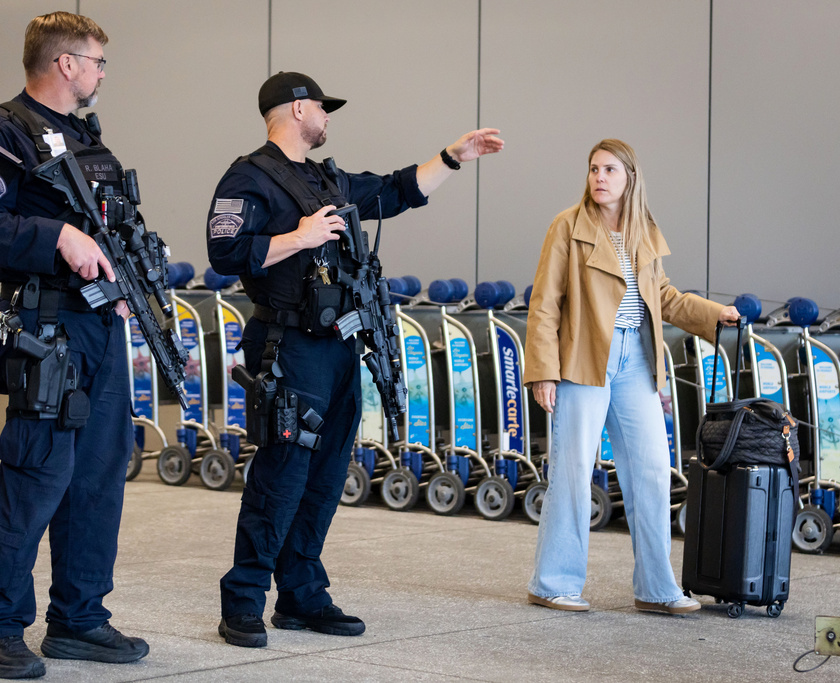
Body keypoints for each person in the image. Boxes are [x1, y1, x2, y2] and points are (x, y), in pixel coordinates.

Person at [207, 71, 504, 648]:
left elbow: (394, 190)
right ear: (296, 110)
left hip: (340, 346)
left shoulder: (328, 178)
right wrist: (299, 236)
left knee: (324, 477)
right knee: (282, 475)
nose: (327, 117)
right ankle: (243, 600)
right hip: (288, 346)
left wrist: (453, 156)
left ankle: (301, 595)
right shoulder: (248, 178)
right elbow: (223, 252)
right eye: (322, 107)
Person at [0, 12, 148, 678]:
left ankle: (79, 619)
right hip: (45, 331)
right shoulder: (2, 132)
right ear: (64, 63)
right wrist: (57, 239)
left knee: (99, 473)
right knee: (37, 472)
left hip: (98, 325)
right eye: (96, 61)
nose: (100, 73)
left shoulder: (84, 139)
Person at [524, 139, 740, 615]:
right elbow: (543, 305)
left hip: (636, 361)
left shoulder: (642, 231)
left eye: (610, 170)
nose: (599, 177)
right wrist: (543, 371)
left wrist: (713, 314)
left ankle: (656, 588)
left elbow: (663, 297)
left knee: (651, 472)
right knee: (574, 471)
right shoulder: (567, 226)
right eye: (593, 169)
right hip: (583, 357)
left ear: (630, 178)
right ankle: (553, 582)